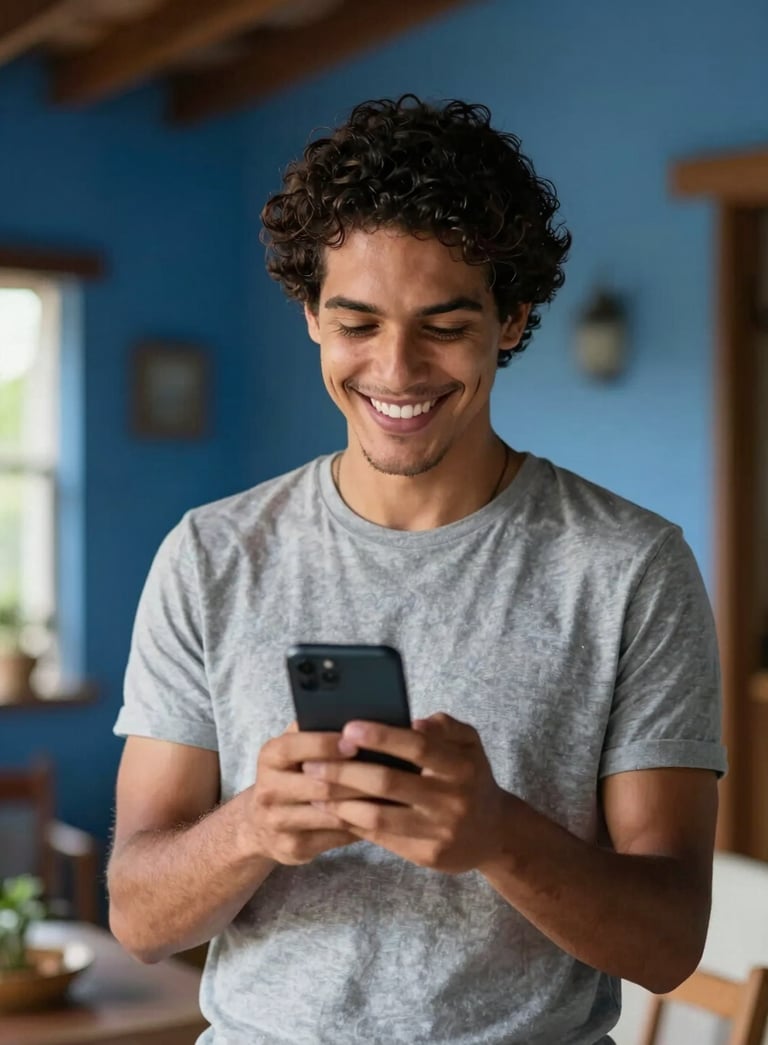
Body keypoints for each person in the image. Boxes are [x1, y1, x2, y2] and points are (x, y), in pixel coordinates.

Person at [109, 96, 726, 1045]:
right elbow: (140, 917)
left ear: (511, 319)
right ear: (311, 314)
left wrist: (498, 835)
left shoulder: (631, 566)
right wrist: (254, 827)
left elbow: (669, 943)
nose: (396, 369)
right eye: (357, 322)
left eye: (444, 325)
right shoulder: (211, 554)